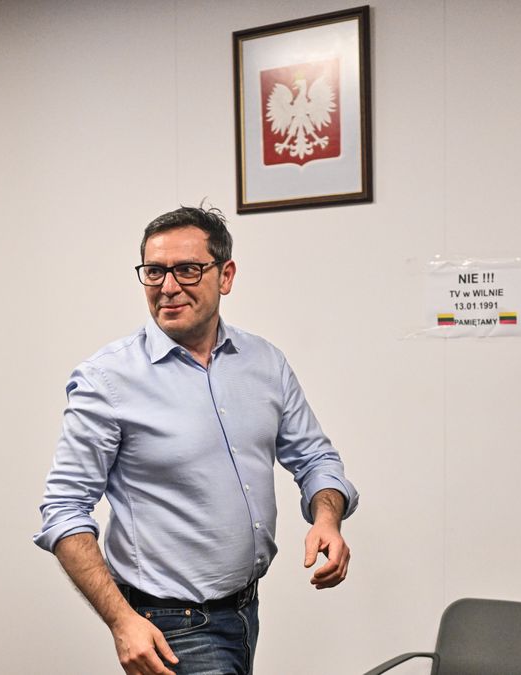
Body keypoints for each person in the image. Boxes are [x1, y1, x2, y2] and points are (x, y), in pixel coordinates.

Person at [35, 206, 358, 674]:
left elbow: (314, 458)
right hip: (170, 628)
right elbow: (63, 510)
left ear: (225, 275)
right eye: (154, 271)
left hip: (245, 611)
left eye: (187, 269)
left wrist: (328, 517)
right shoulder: (108, 379)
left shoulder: (264, 362)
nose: (168, 287)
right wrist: (122, 621)